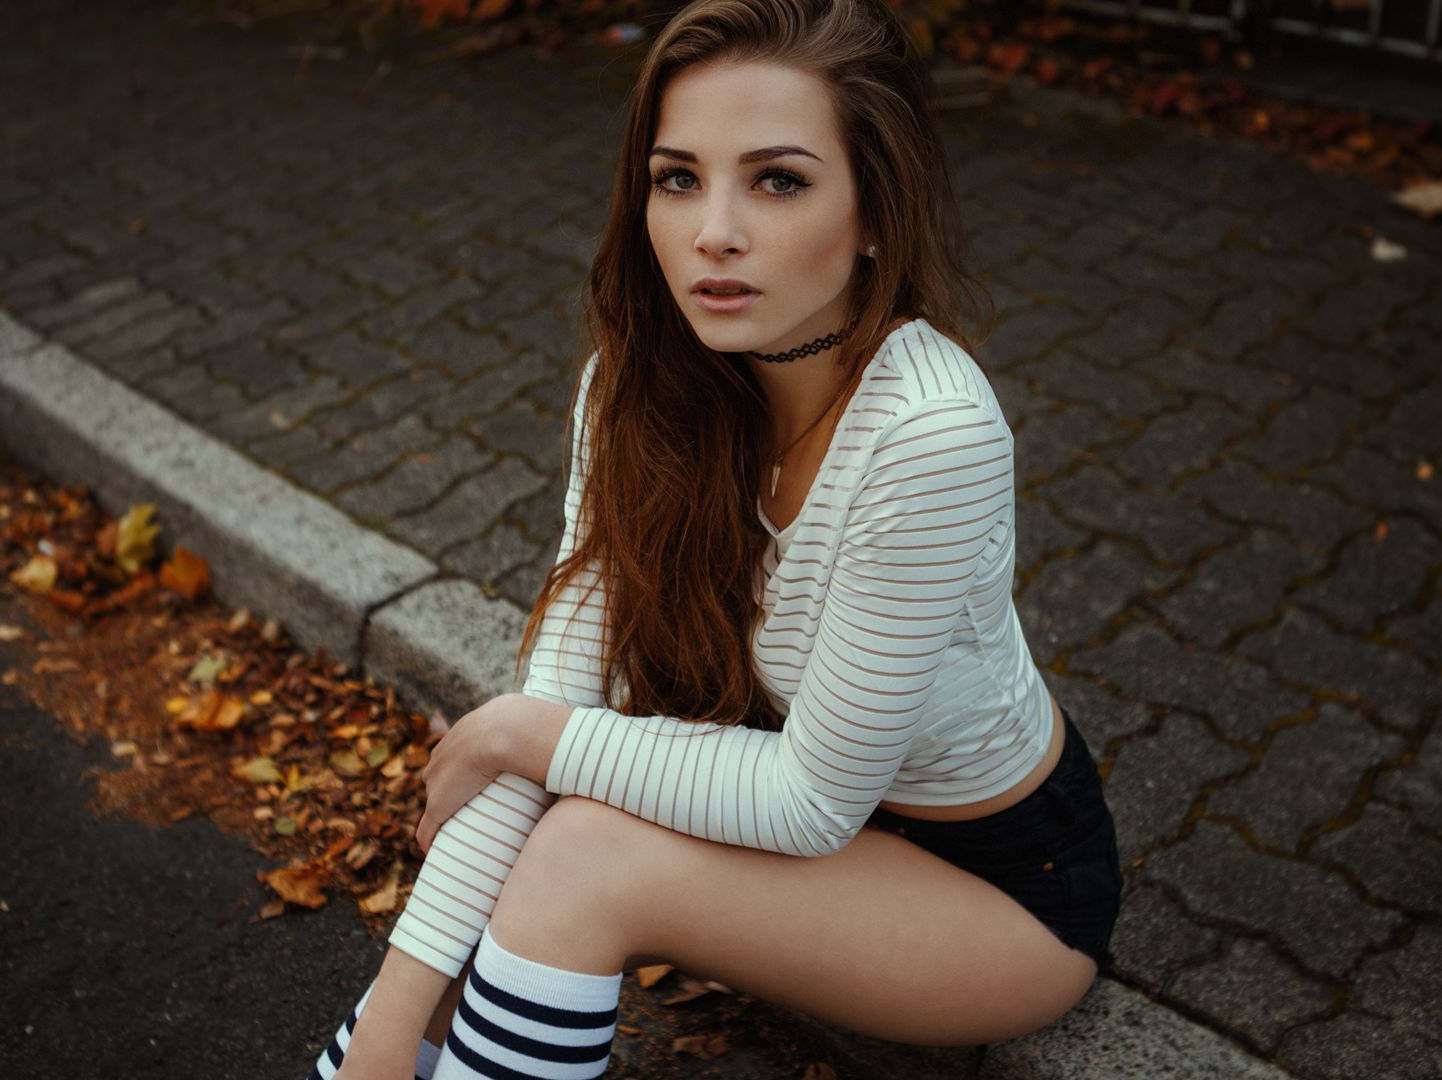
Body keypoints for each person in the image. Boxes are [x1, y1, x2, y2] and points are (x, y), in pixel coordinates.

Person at [307, 0, 1123, 1076]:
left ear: (876, 209)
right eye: (677, 177)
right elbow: (557, 702)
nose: (712, 233)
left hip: (1004, 889)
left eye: (778, 180)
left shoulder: (931, 435)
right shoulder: (636, 386)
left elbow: (803, 800)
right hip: (818, 831)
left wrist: (524, 735)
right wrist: (390, 1017)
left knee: (584, 848)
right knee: (513, 876)